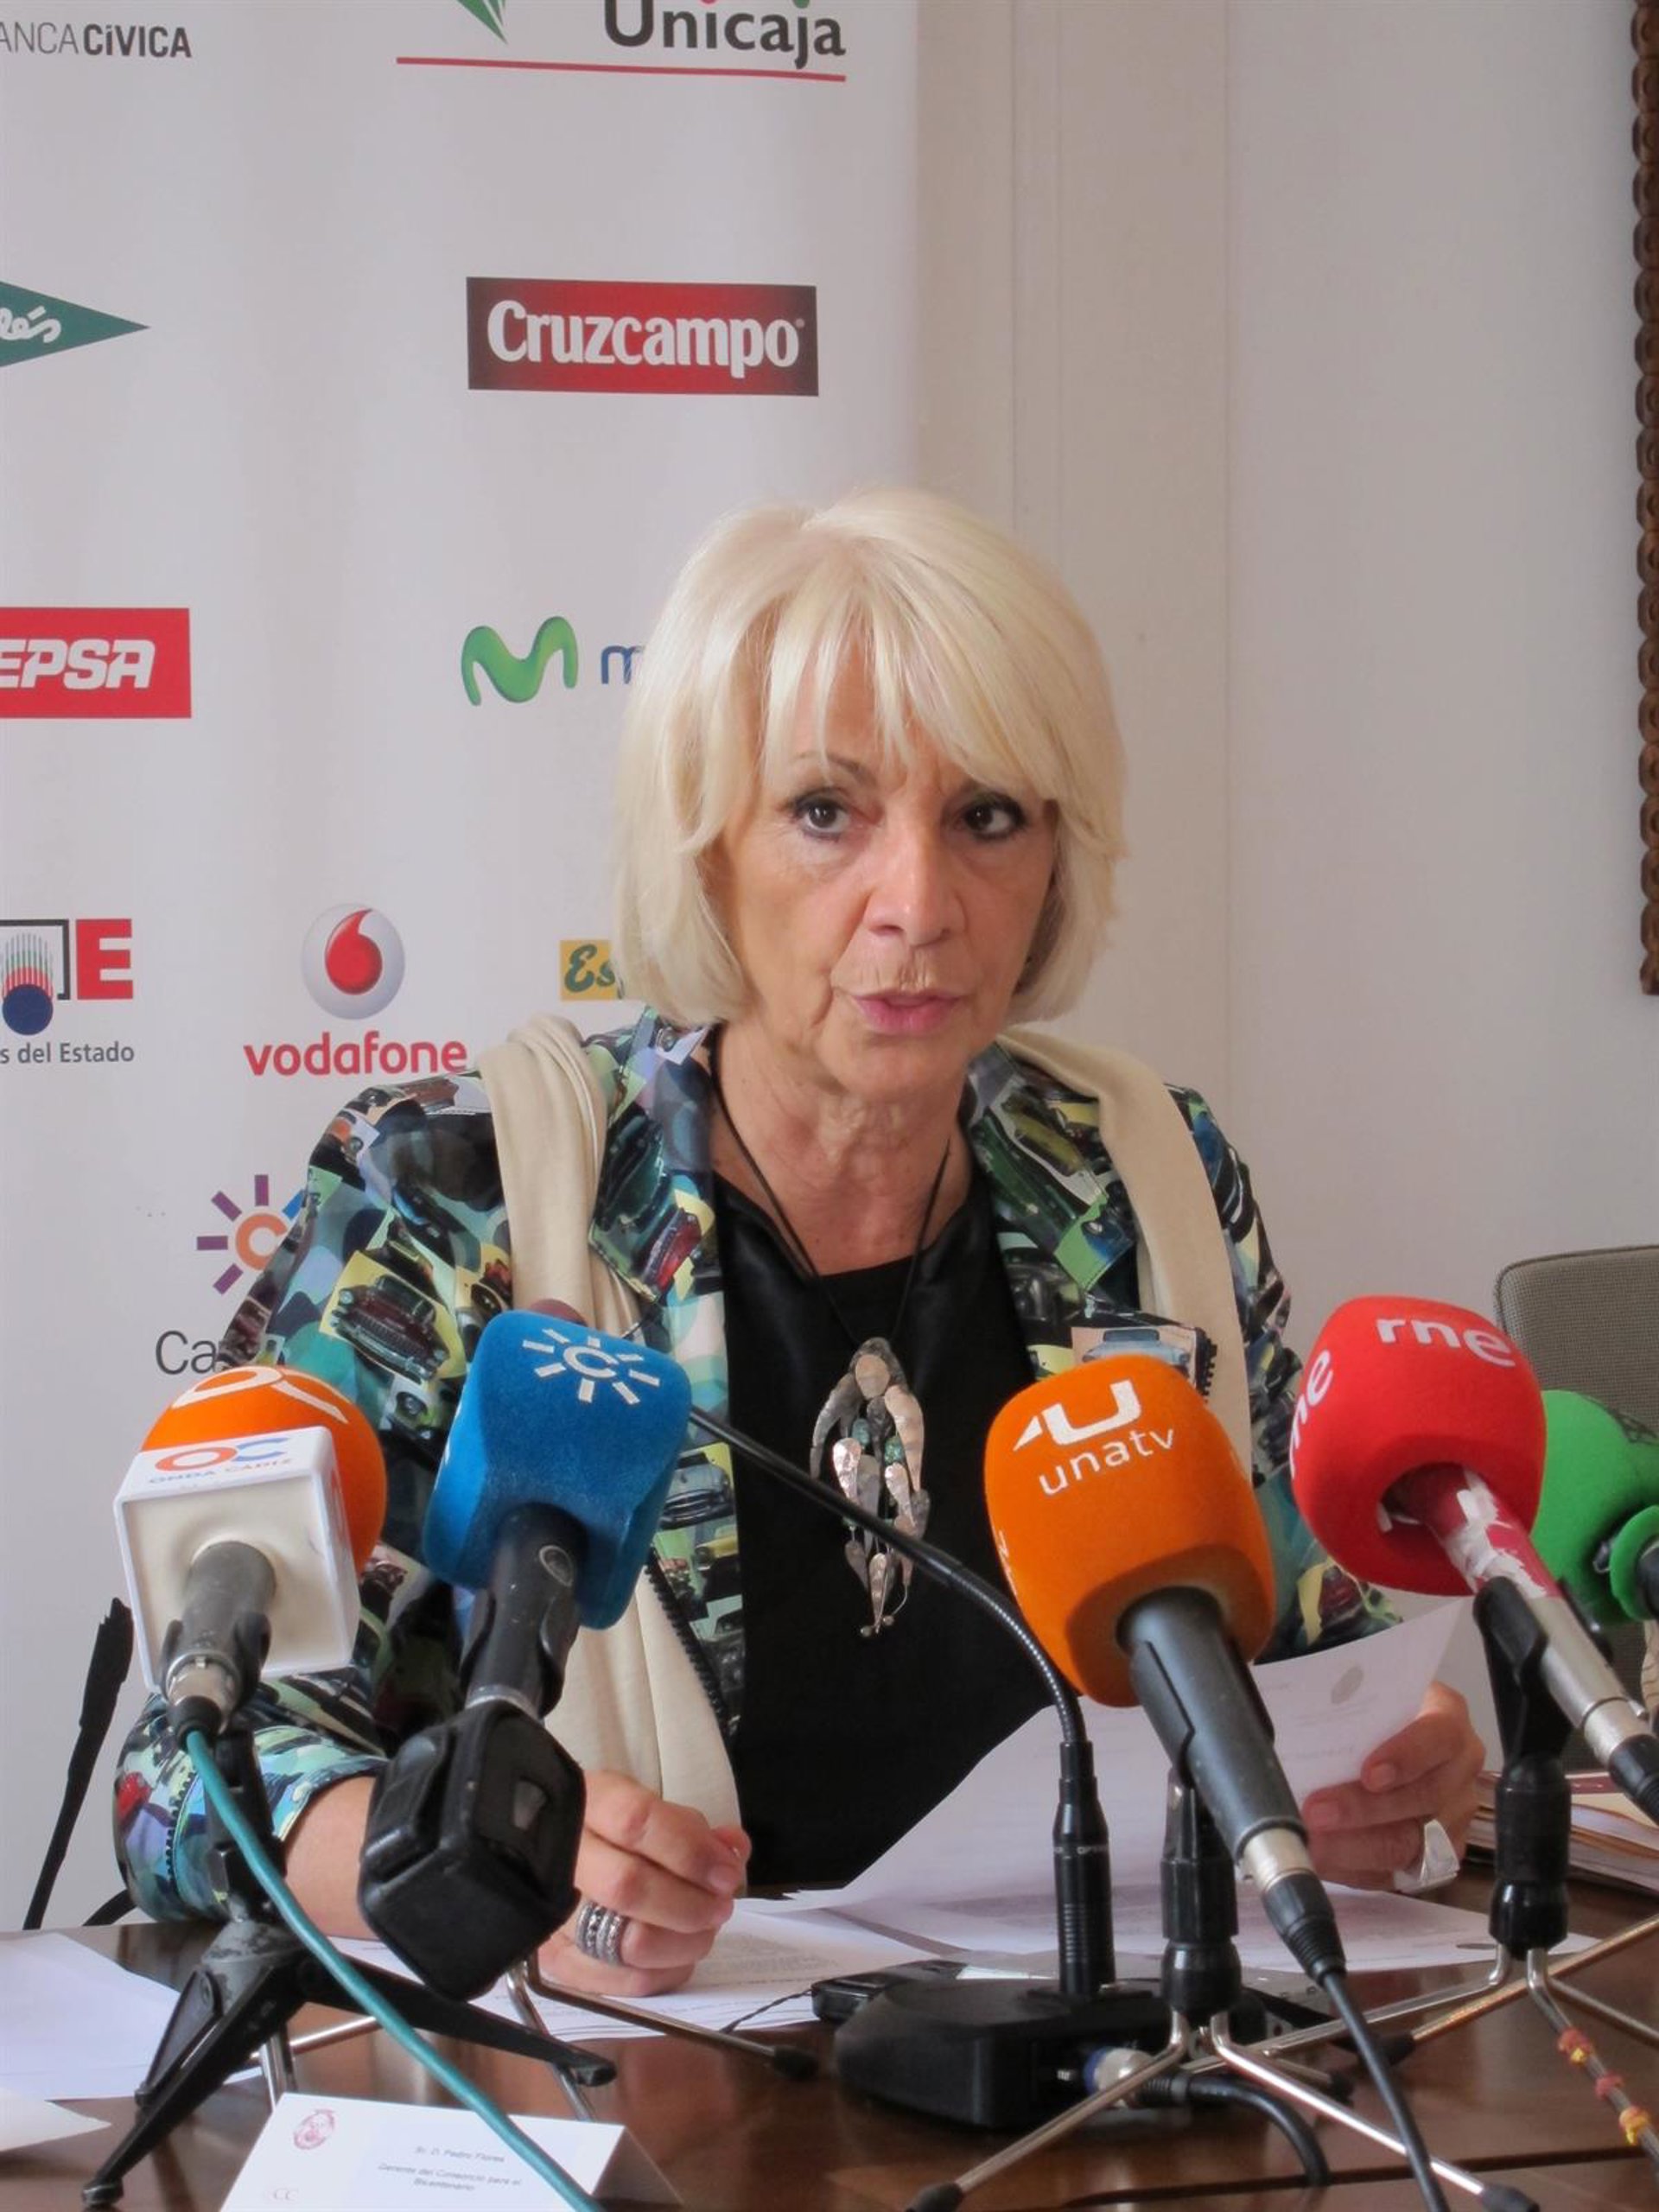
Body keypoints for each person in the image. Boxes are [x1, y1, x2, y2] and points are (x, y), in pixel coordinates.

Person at [114, 487, 1483, 1996]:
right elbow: (185, 1777)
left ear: (1056, 860)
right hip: (660, 2077)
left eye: (988, 816)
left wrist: (1396, 1773)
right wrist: (477, 1875)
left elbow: (1314, 1644)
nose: (920, 904)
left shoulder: (1145, 1176)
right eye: (827, 813)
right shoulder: (458, 1192)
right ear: (706, 851)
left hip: (1088, 2051)